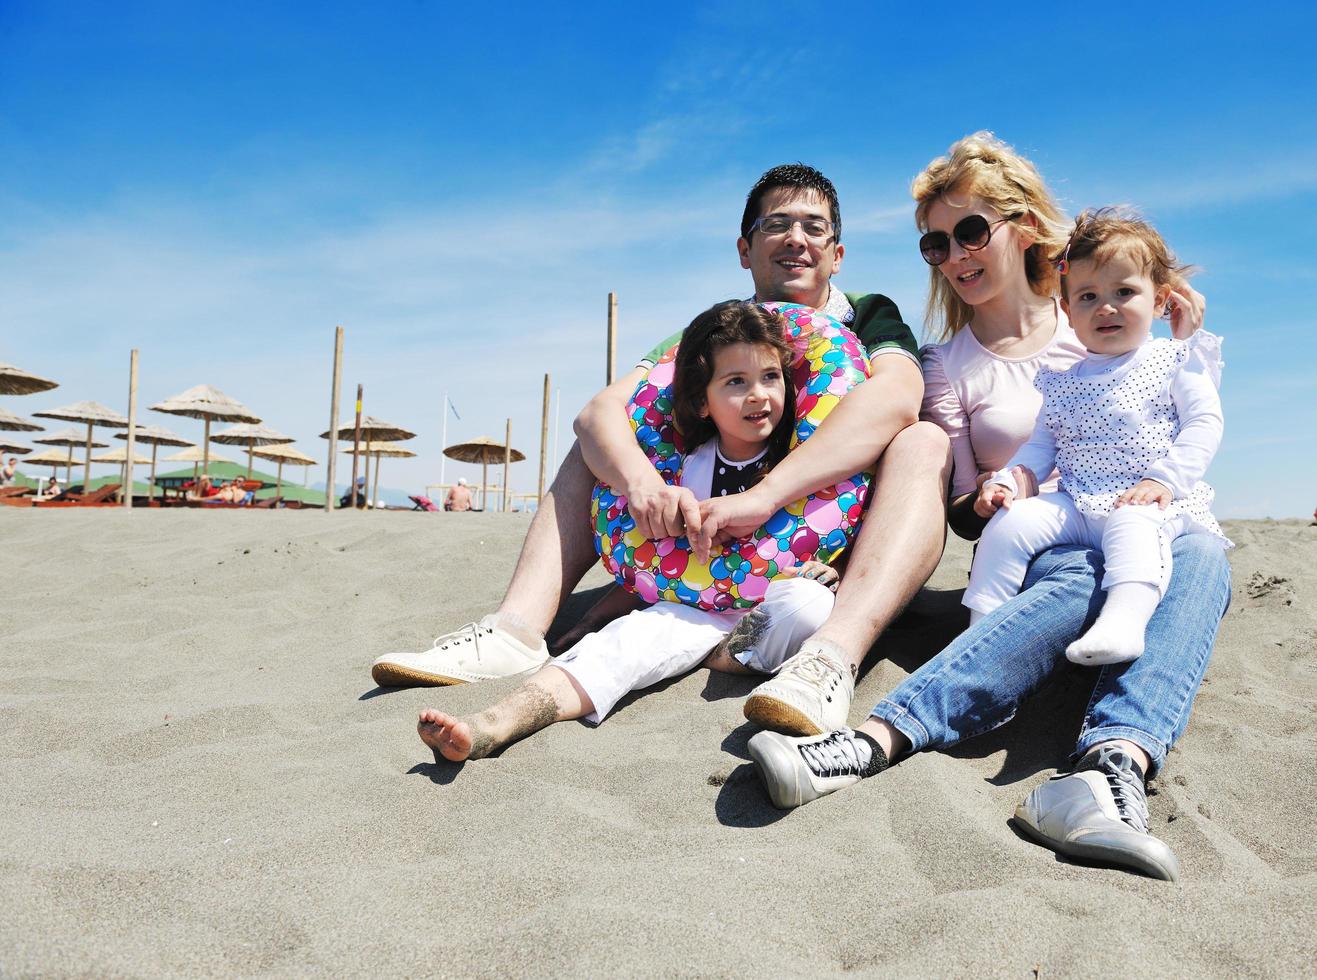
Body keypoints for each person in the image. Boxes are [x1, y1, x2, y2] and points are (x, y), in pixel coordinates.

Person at [747, 134, 1230, 882]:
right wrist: (1008, 490)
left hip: (1143, 525)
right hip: (1042, 542)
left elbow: (1182, 408)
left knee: (1199, 550)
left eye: (971, 230)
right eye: (934, 243)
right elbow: (964, 512)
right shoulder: (947, 363)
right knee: (1076, 569)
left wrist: (1183, 344)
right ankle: (876, 738)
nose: (953, 254)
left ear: (1024, 226)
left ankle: (1110, 768)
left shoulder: (1099, 308)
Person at [374, 163, 950, 739]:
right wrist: (641, 485)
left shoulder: (867, 311)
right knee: (600, 445)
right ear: (744, 250)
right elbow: (599, 412)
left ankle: (831, 658)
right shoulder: (713, 333)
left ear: (838, 253)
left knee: (922, 440)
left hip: (827, 555)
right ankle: (515, 630)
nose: (796, 239)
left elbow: (898, 396)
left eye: (814, 227)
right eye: (777, 224)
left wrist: (765, 496)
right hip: (705, 540)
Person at [417, 301, 840, 761]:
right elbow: (658, 569)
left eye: (770, 377)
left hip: (764, 612)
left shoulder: (801, 458)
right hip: (690, 609)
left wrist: (830, 570)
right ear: (703, 400)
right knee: (621, 647)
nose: (758, 395)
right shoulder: (686, 470)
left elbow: (839, 524)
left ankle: (724, 657)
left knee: (809, 604)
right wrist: (595, 616)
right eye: (736, 382)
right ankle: (494, 723)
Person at [966, 208, 1231, 665]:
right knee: (1012, 523)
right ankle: (980, 625)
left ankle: (1123, 622)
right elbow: (1041, 447)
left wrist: (1164, 481)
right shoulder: (1062, 379)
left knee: (1133, 527)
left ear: (1160, 300)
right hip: (1077, 500)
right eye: (1087, 296)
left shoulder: (1171, 359)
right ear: (1068, 311)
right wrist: (1011, 481)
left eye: (1124, 292)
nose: (1106, 307)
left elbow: (1204, 423)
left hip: (1150, 502)